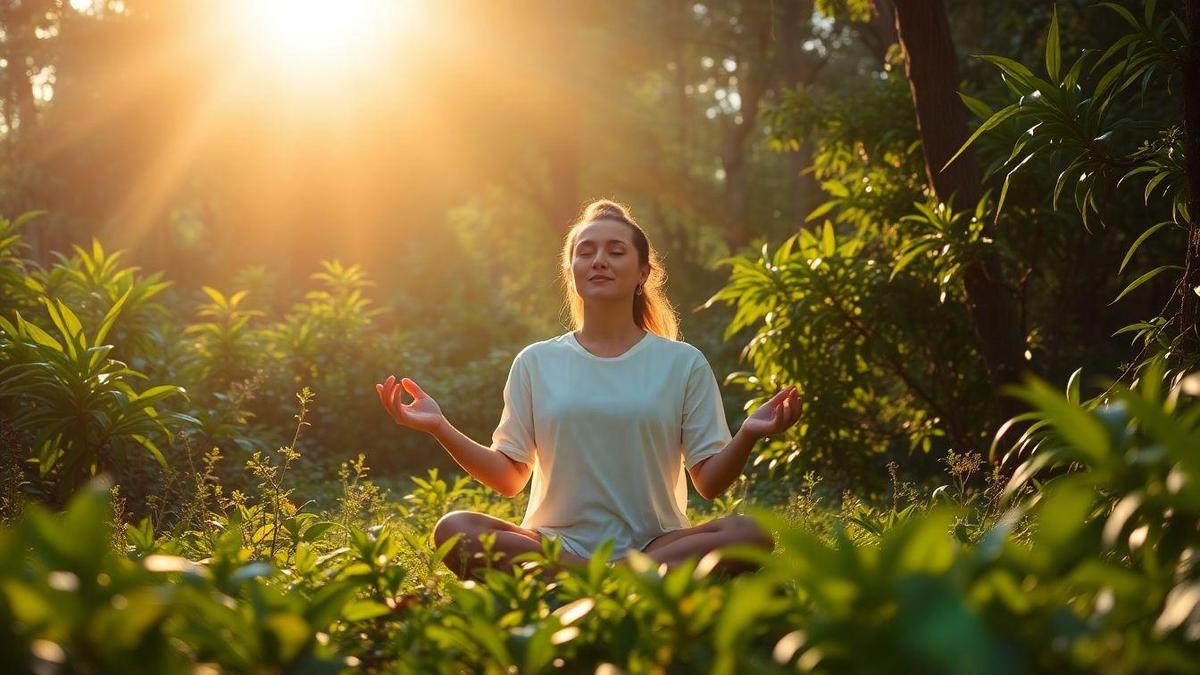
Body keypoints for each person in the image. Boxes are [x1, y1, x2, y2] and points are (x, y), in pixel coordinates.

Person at [375, 199, 802, 580]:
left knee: (750, 531)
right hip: (555, 545)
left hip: (656, 546)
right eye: (586, 251)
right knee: (456, 528)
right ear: (572, 271)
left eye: (616, 251)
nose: (600, 260)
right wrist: (439, 427)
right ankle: (624, 581)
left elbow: (708, 483)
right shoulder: (536, 362)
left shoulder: (682, 363)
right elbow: (509, 478)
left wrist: (747, 433)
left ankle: (591, 580)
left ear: (642, 273)